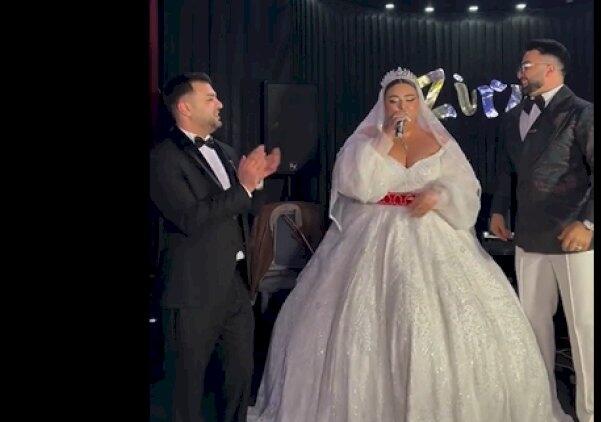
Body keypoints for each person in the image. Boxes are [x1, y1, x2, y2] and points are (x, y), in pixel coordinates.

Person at [248, 68, 552, 421]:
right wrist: (384, 141)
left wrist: (440, 194)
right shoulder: (365, 139)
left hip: (432, 232)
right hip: (371, 232)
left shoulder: (440, 141)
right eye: (393, 101)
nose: (401, 106)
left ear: (419, 103)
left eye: (409, 99)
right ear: (384, 104)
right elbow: (356, 186)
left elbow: (467, 191)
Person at [150, 72, 280, 422]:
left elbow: (239, 210)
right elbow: (190, 218)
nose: (220, 104)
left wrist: (256, 183)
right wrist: (244, 187)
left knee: (237, 384)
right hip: (190, 292)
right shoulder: (162, 158)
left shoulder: (226, 152)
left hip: (234, 287)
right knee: (186, 393)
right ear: (185, 107)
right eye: (210, 98)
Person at [489, 39, 594, 422]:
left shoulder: (582, 112)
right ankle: (544, 409)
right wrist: (498, 210)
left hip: (574, 237)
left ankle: (590, 413)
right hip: (529, 237)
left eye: (527, 65)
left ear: (550, 69)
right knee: (533, 328)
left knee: (584, 328)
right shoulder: (513, 117)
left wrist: (588, 223)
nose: (520, 72)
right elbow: (507, 171)